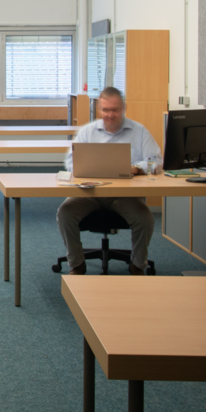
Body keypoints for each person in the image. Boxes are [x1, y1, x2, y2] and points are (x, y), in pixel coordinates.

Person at [57, 86, 162, 275]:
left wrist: (136, 168)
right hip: (90, 193)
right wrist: (87, 170)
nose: (110, 115)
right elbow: (71, 163)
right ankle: (77, 263)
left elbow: (156, 161)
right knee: (65, 213)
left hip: (124, 196)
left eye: (115, 110)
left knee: (145, 219)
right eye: (105, 110)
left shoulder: (139, 131)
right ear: (99, 109)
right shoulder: (87, 132)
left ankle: (138, 264)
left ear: (124, 108)